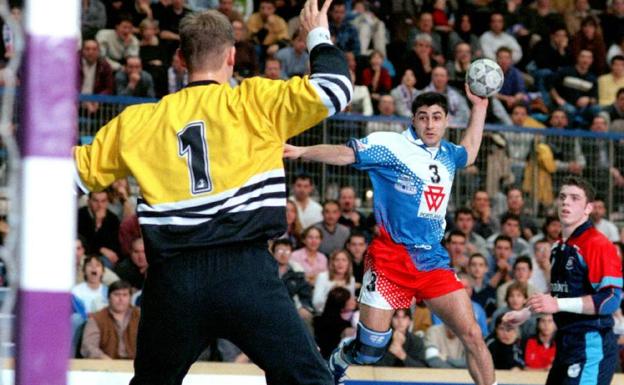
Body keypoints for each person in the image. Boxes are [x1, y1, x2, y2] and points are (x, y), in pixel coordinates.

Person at [73, 2, 352, 384]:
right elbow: (336, 89)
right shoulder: (256, 101)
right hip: (246, 272)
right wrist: (317, 32)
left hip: (173, 279)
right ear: (232, 56)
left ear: (179, 58)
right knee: (309, 380)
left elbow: (69, 176)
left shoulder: (138, 122)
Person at [284, 90, 496, 384]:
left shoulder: (448, 153)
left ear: (447, 121)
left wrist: (481, 106)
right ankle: (341, 357)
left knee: (472, 334)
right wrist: (302, 151)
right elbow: (345, 154)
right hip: (389, 258)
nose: (430, 125)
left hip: (432, 260)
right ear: (413, 119)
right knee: (371, 348)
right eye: (423, 118)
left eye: (437, 118)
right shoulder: (391, 145)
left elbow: (470, 150)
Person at [504, 176, 623, 385]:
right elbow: (561, 295)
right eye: (563, 197)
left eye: (575, 198)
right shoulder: (558, 247)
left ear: (588, 208)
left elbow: (610, 299)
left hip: (591, 345)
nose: (566, 202)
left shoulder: (598, 244)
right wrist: (526, 313)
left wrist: (557, 303)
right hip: (567, 343)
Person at [80, 280, 140, 359]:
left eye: (125, 295)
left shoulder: (140, 316)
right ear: (108, 297)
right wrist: (102, 357)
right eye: (116, 294)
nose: (121, 299)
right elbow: (88, 346)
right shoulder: (97, 318)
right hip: (106, 365)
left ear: (130, 298)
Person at [312, 249, 356, 313]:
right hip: (325, 313)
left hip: (345, 314)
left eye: (344, 260)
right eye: (337, 260)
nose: (340, 263)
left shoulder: (351, 279)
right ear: (332, 263)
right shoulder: (322, 277)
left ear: (348, 263)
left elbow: (350, 303)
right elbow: (316, 302)